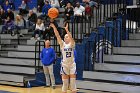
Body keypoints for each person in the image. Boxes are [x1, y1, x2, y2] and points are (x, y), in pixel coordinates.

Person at [50, 22, 77, 93]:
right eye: (65, 36)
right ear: (64, 39)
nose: (67, 37)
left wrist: (67, 30)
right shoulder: (62, 44)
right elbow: (58, 36)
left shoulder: (72, 44)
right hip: (65, 65)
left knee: (73, 84)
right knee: (65, 84)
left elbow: (71, 38)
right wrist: (54, 28)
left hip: (72, 65)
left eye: (68, 36)